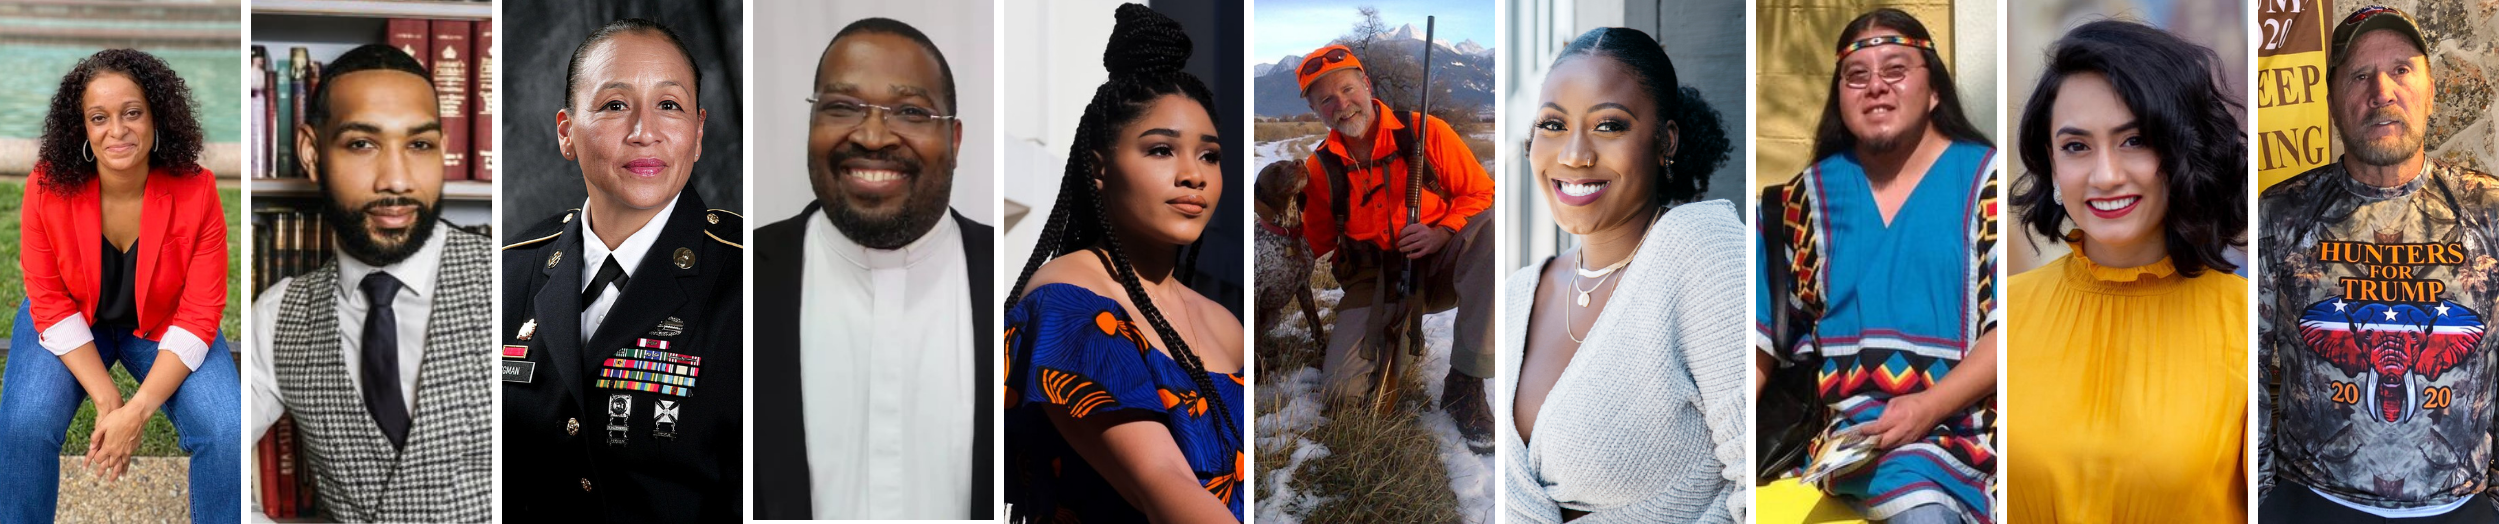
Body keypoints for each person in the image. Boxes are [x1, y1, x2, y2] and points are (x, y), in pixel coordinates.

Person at [1752, 8, 1999, 524]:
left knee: (1920, 498)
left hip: (1969, 436)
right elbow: (1755, 348)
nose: (1875, 87)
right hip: (1850, 443)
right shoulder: (1804, 198)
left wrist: (1926, 409)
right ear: (1839, 96)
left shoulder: (1986, 181)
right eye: (1856, 76)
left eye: (1896, 69)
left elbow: (2013, 329)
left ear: (1934, 91)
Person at [1002, 4, 1243, 522]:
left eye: (1209, 156)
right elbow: (1163, 484)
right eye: (1161, 150)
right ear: (1099, 169)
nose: (1193, 175)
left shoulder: (1224, 323)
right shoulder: (1066, 300)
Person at [2257, 6, 2499, 522]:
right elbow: (2246, 373)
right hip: (2312, 501)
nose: (2382, 91)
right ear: (2332, 102)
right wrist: (2261, 502)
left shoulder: (2489, 212)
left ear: (2432, 91)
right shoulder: (2279, 214)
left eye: (2402, 70)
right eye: (2360, 75)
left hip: (2460, 505)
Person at [499, 17, 744, 522]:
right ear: (567, 132)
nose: (644, 133)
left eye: (669, 106)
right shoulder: (510, 272)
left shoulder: (753, 278)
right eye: (615, 105)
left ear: (698, 135)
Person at [2003, 20, 2248, 523]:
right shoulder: (2006, 314)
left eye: (2134, 140)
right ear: (2051, 162)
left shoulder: (2246, 327)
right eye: (2076, 146)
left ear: (2180, 150)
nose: (2106, 175)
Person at [1501, 27, 1746, 524]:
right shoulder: (1517, 295)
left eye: (1609, 126)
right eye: (1552, 124)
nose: (1573, 154)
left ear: (1665, 141)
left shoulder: (1701, 252)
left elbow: (1752, 490)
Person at [752, 17, 993, 520]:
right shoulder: (738, 277)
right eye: (842, 107)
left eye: (910, 111)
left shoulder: (1014, 283)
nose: (874, 135)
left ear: (956, 139)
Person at [243, 44, 493, 522]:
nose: (396, 181)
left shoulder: (515, 282)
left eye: (419, 144)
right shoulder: (278, 318)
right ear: (312, 153)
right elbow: (216, 443)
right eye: (362, 143)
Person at [0, 48, 237, 524]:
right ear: (82, 129)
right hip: (69, 319)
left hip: (167, 325)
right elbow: (47, 299)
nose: (118, 130)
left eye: (132, 113)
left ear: (156, 117)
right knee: (24, 426)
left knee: (228, 430)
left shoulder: (198, 190)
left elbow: (200, 313)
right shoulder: (47, 186)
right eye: (99, 117)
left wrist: (136, 413)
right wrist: (109, 400)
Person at [1294, 31, 1499, 449]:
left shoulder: (1426, 132)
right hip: (1374, 280)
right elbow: (1312, 244)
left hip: (1440, 265)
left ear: (1366, 85)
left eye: (1347, 89)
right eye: (1326, 100)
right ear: (1316, 110)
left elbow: (1482, 194)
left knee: (1493, 231)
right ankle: (1392, 337)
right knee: (1342, 396)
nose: (1342, 104)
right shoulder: (1319, 168)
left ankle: (1466, 383)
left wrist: (1441, 232)